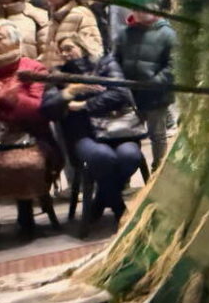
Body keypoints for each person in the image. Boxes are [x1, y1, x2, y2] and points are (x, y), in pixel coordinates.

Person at [0, 20, 59, 241]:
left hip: (28, 138)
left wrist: (14, 100)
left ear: (16, 42)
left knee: (28, 162)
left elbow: (40, 110)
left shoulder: (32, 69)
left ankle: (26, 215)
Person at [41, 36, 144, 225]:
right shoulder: (56, 76)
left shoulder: (105, 64)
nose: (65, 53)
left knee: (130, 156)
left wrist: (83, 105)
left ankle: (101, 200)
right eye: (60, 51)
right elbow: (48, 108)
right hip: (83, 135)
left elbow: (120, 93)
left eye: (68, 47)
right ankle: (119, 208)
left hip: (118, 129)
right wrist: (69, 92)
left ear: (82, 46)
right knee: (102, 157)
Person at [114, 11, 175, 170]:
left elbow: (172, 65)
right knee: (129, 137)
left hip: (156, 95)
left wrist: (155, 83)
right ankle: (127, 174)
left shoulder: (167, 33)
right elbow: (115, 61)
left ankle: (158, 172)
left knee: (158, 135)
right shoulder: (124, 33)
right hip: (130, 96)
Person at [40, 0, 104, 68]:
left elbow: (95, 48)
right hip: (55, 76)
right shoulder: (55, 17)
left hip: (75, 75)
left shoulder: (80, 13)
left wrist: (72, 50)